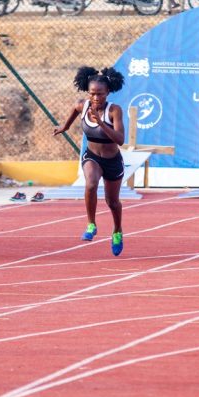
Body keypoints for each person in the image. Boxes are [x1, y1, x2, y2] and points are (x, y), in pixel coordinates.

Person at [53, 67, 127, 256]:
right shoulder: (83, 106)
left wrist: (101, 123)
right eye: (92, 93)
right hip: (92, 156)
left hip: (112, 160)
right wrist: (64, 127)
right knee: (91, 183)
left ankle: (117, 230)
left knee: (113, 202)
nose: (95, 98)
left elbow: (120, 139)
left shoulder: (114, 111)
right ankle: (91, 224)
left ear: (108, 92)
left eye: (100, 94)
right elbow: (74, 111)